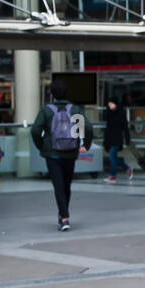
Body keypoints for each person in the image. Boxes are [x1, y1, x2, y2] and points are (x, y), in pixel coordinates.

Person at [30, 80, 93, 231]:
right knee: (66, 185)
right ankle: (63, 216)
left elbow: (35, 130)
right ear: (66, 93)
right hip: (70, 153)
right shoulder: (75, 109)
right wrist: (85, 145)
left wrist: (42, 146)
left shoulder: (46, 110)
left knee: (58, 186)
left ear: (52, 94)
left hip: (52, 154)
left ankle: (64, 218)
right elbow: (88, 128)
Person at [102, 98, 133, 184]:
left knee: (111, 156)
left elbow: (125, 128)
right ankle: (127, 168)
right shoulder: (109, 114)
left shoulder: (120, 113)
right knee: (114, 158)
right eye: (109, 104)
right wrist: (105, 141)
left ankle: (113, 176)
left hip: (117, 139)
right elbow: (107, 129)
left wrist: (127, 140)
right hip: (110, 139)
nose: (110, 106)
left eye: (111, 104)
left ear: (115, 104)